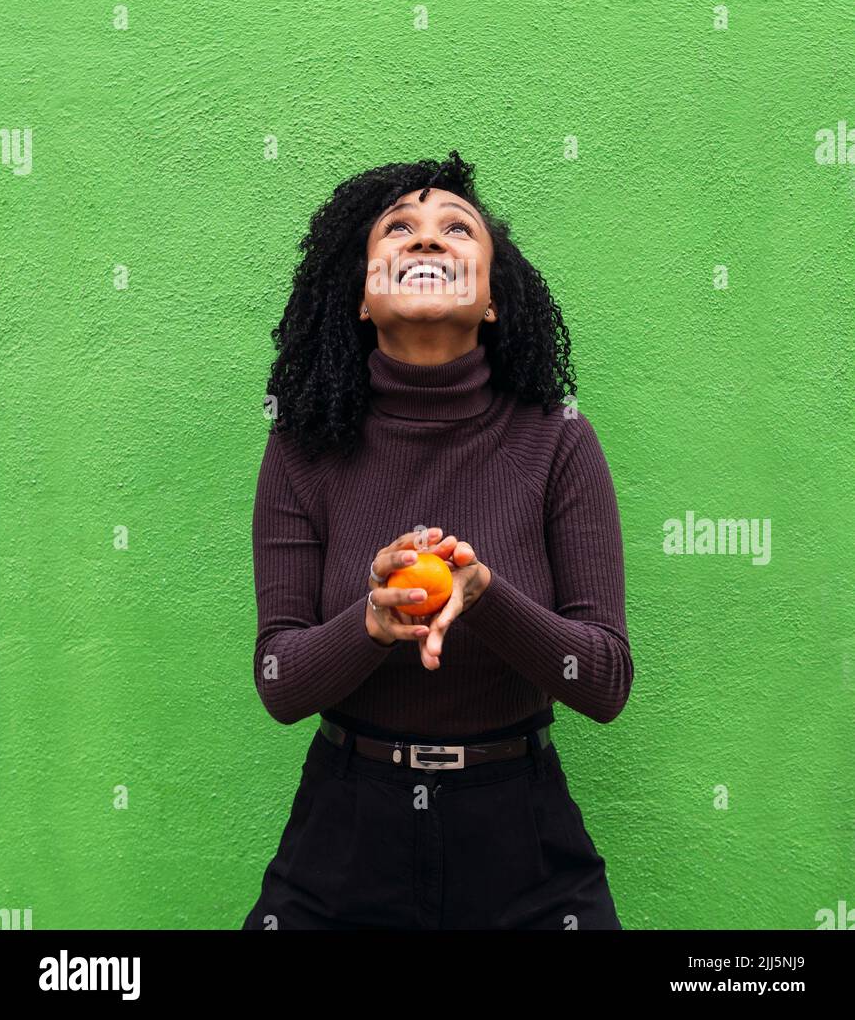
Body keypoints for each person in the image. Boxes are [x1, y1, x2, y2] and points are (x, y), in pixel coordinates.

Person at [241, 149, 633, 931]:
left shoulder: (557, 440)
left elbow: (605, 681)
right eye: (398, 229)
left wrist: (485, 598)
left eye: (457, 228)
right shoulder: (303, 447)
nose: (426, 240)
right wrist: (369, 623)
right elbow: (280, 681)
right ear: (359, 297)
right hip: (346, 832)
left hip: (521, 836)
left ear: (492, 299)